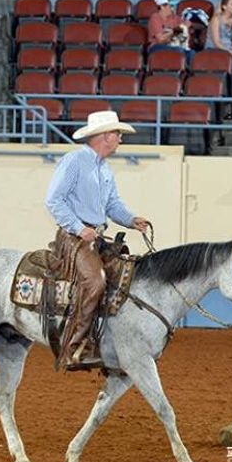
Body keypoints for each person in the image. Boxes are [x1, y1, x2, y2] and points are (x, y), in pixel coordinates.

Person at [45, 110, 150, 369]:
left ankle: (107, 340)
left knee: (125, 276)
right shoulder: (74, 162)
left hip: (95, 236)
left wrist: (131, 219)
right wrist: (79, 228)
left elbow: (112, 204)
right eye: (117, 134)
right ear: (104, 136)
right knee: (96, 282)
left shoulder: (105, 169)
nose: (120, 139)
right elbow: (53, 200)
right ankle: (73, 348)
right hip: (74, 238)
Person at [147, 0, 194, 66]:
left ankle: (189, 74)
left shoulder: (175, 18)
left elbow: (187, 25)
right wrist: (177, 30)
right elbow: (160, 39)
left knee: (191, 53)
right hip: (157, 46)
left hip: (174, 45)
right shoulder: (155, 18)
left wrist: (178, 30)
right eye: (171, 6)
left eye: (174, 6)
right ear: (162, 6)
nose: (173, 8)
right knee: (178, 51)